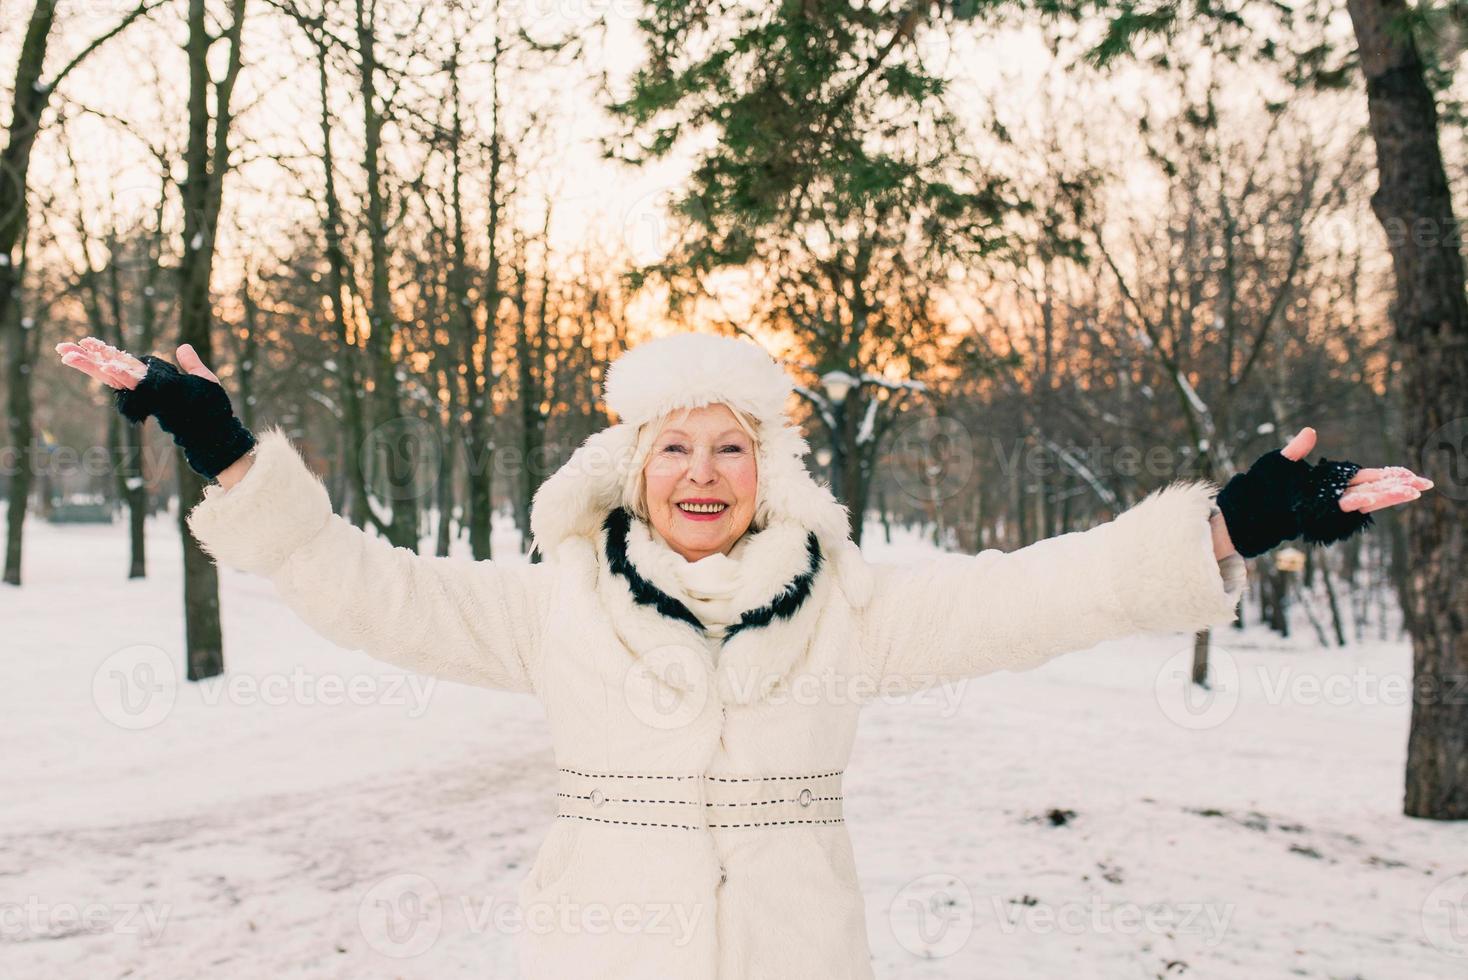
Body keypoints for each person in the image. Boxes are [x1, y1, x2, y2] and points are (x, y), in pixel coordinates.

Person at [56, 332, 1431, 978]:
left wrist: (1233, 523)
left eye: (731, 447)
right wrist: (226, 449)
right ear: (631, 466)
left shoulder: (849, 612)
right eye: (676, 446)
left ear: (765, 475)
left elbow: (1043, 594)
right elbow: (363, 588)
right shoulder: (559, 605)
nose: (702, 473)